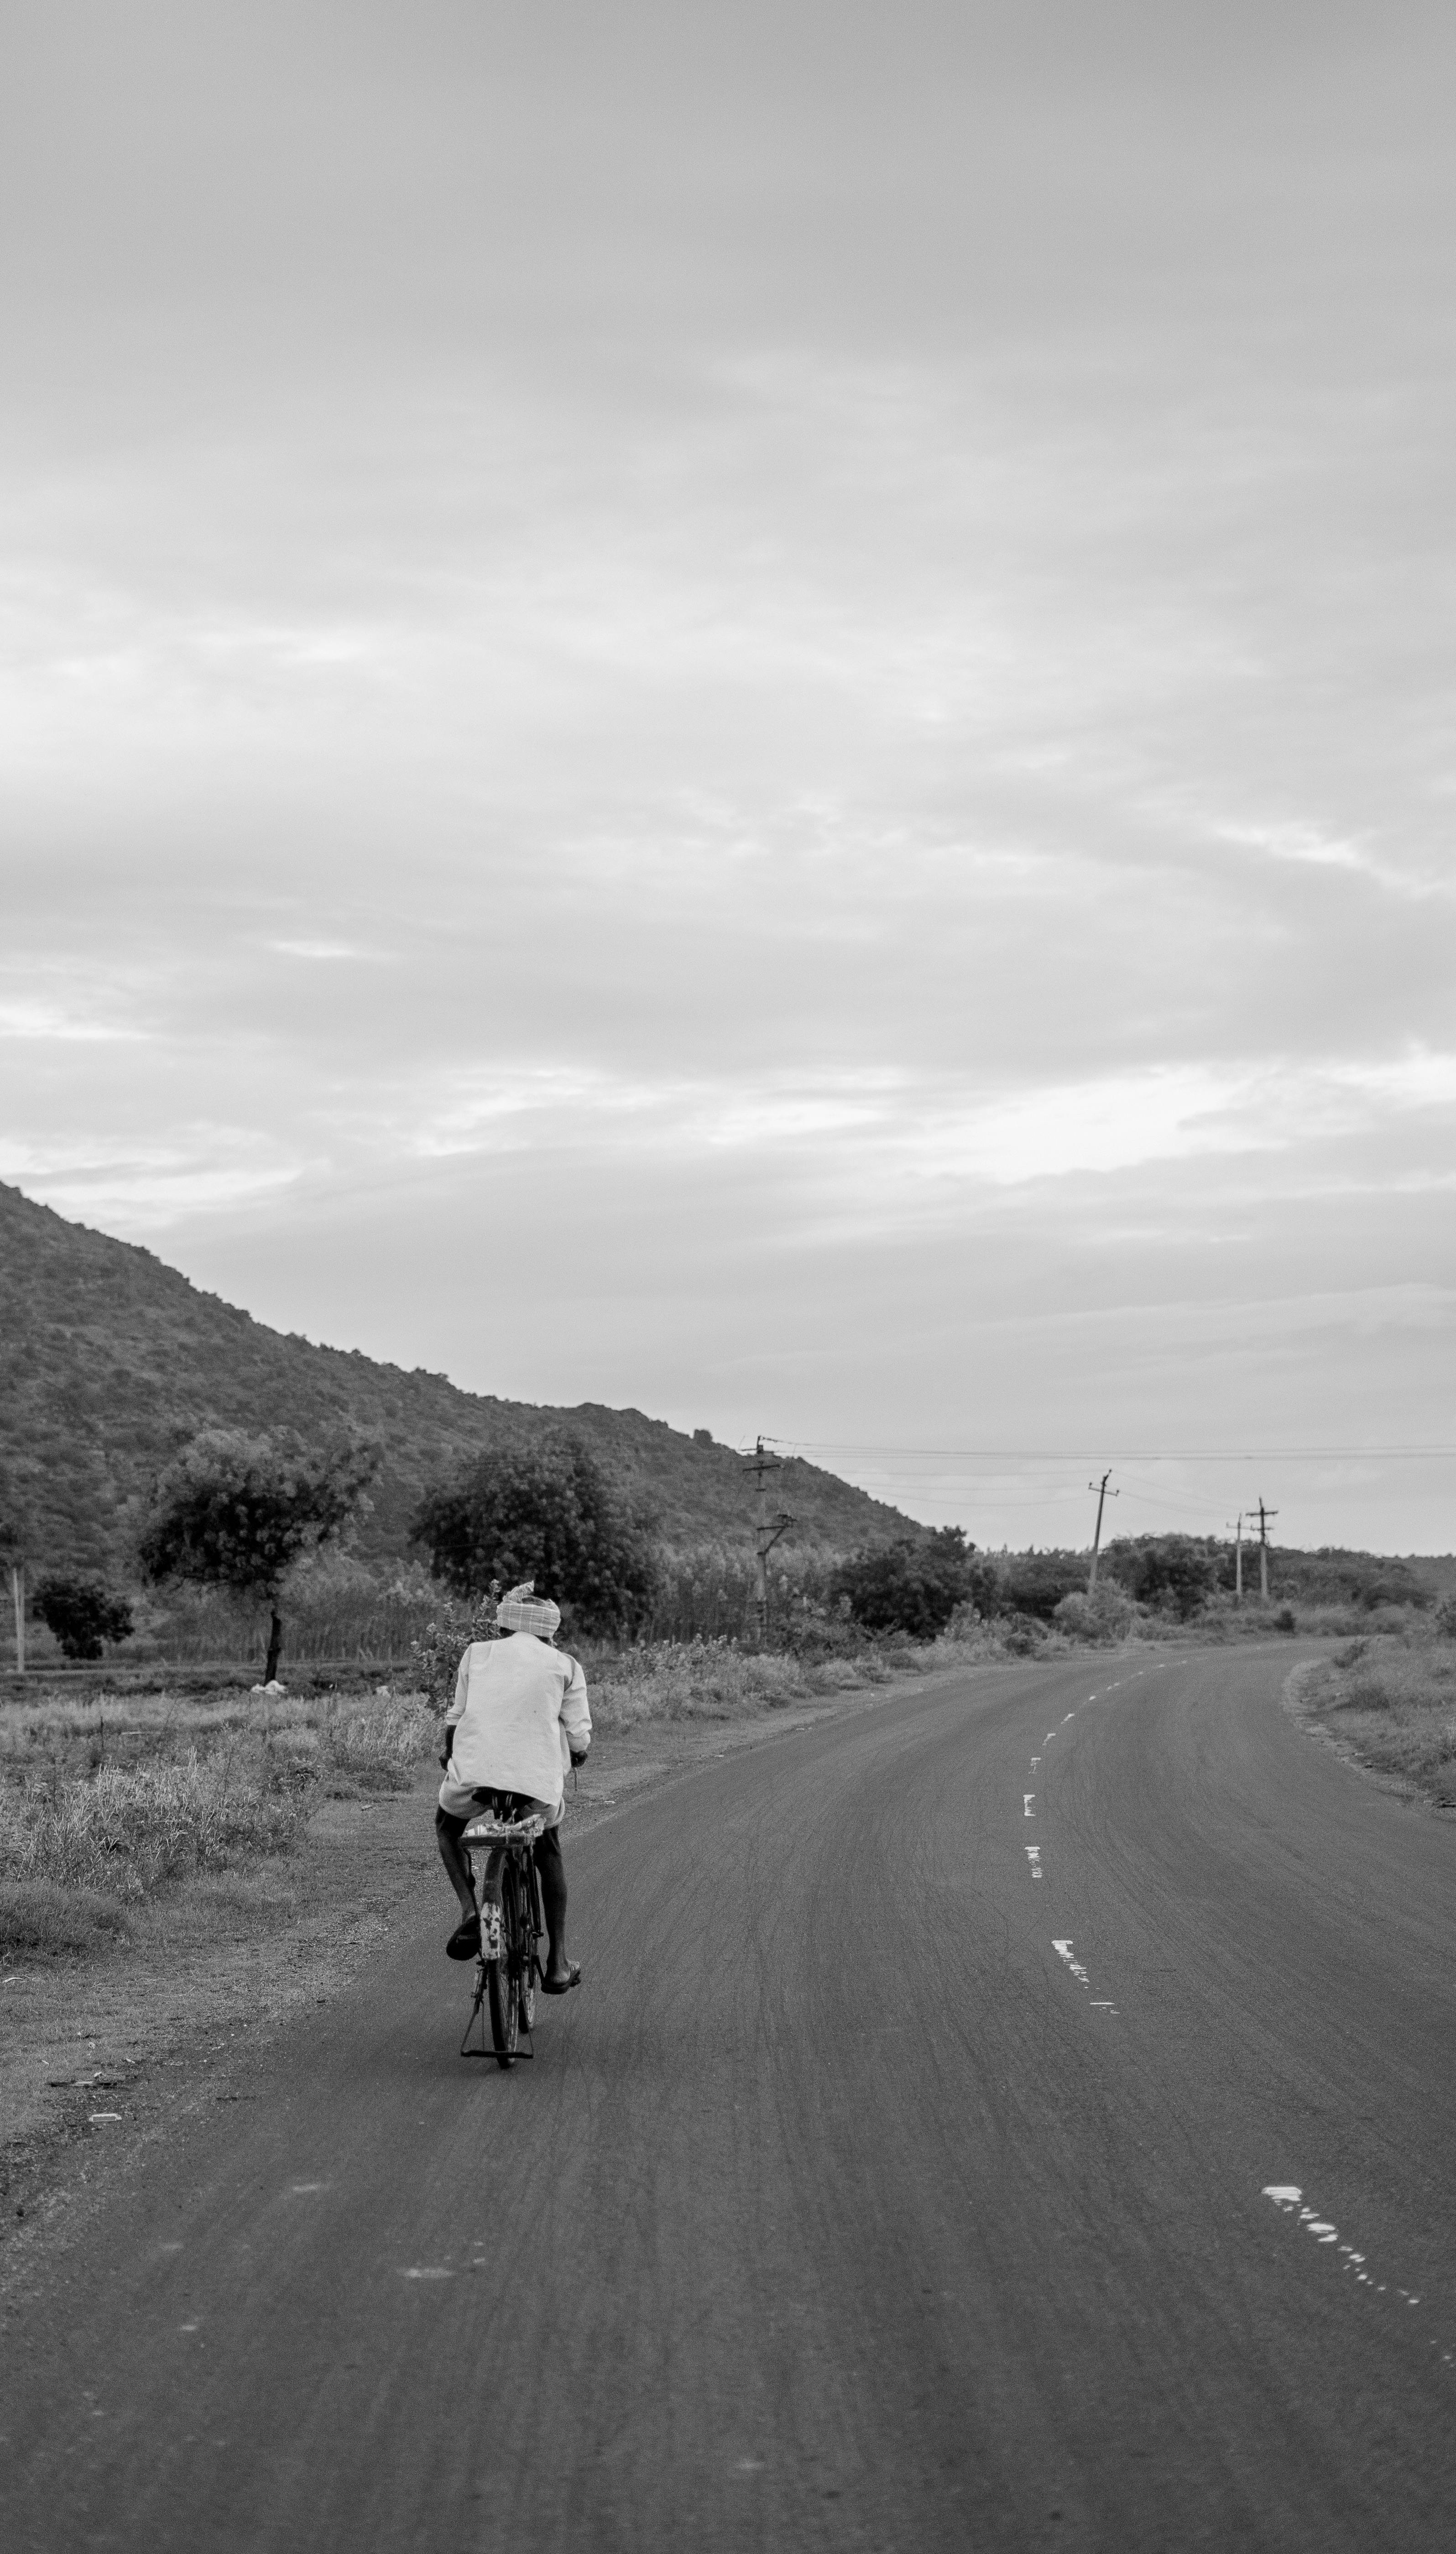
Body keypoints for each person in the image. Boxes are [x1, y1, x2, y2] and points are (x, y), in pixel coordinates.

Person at [434, 1581, 589, 1993]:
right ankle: (556, 1965)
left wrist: (451, 1759)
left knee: (447, 1828)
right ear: (547, 1632)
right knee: (548, 1848)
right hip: (534, 1784)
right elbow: (579, 1738)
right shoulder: (566, 1665)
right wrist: (578, 1754)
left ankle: (470, 1912)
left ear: (503, 1626)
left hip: (475, 1776)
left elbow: (456, 1718)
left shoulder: (476, 1654)